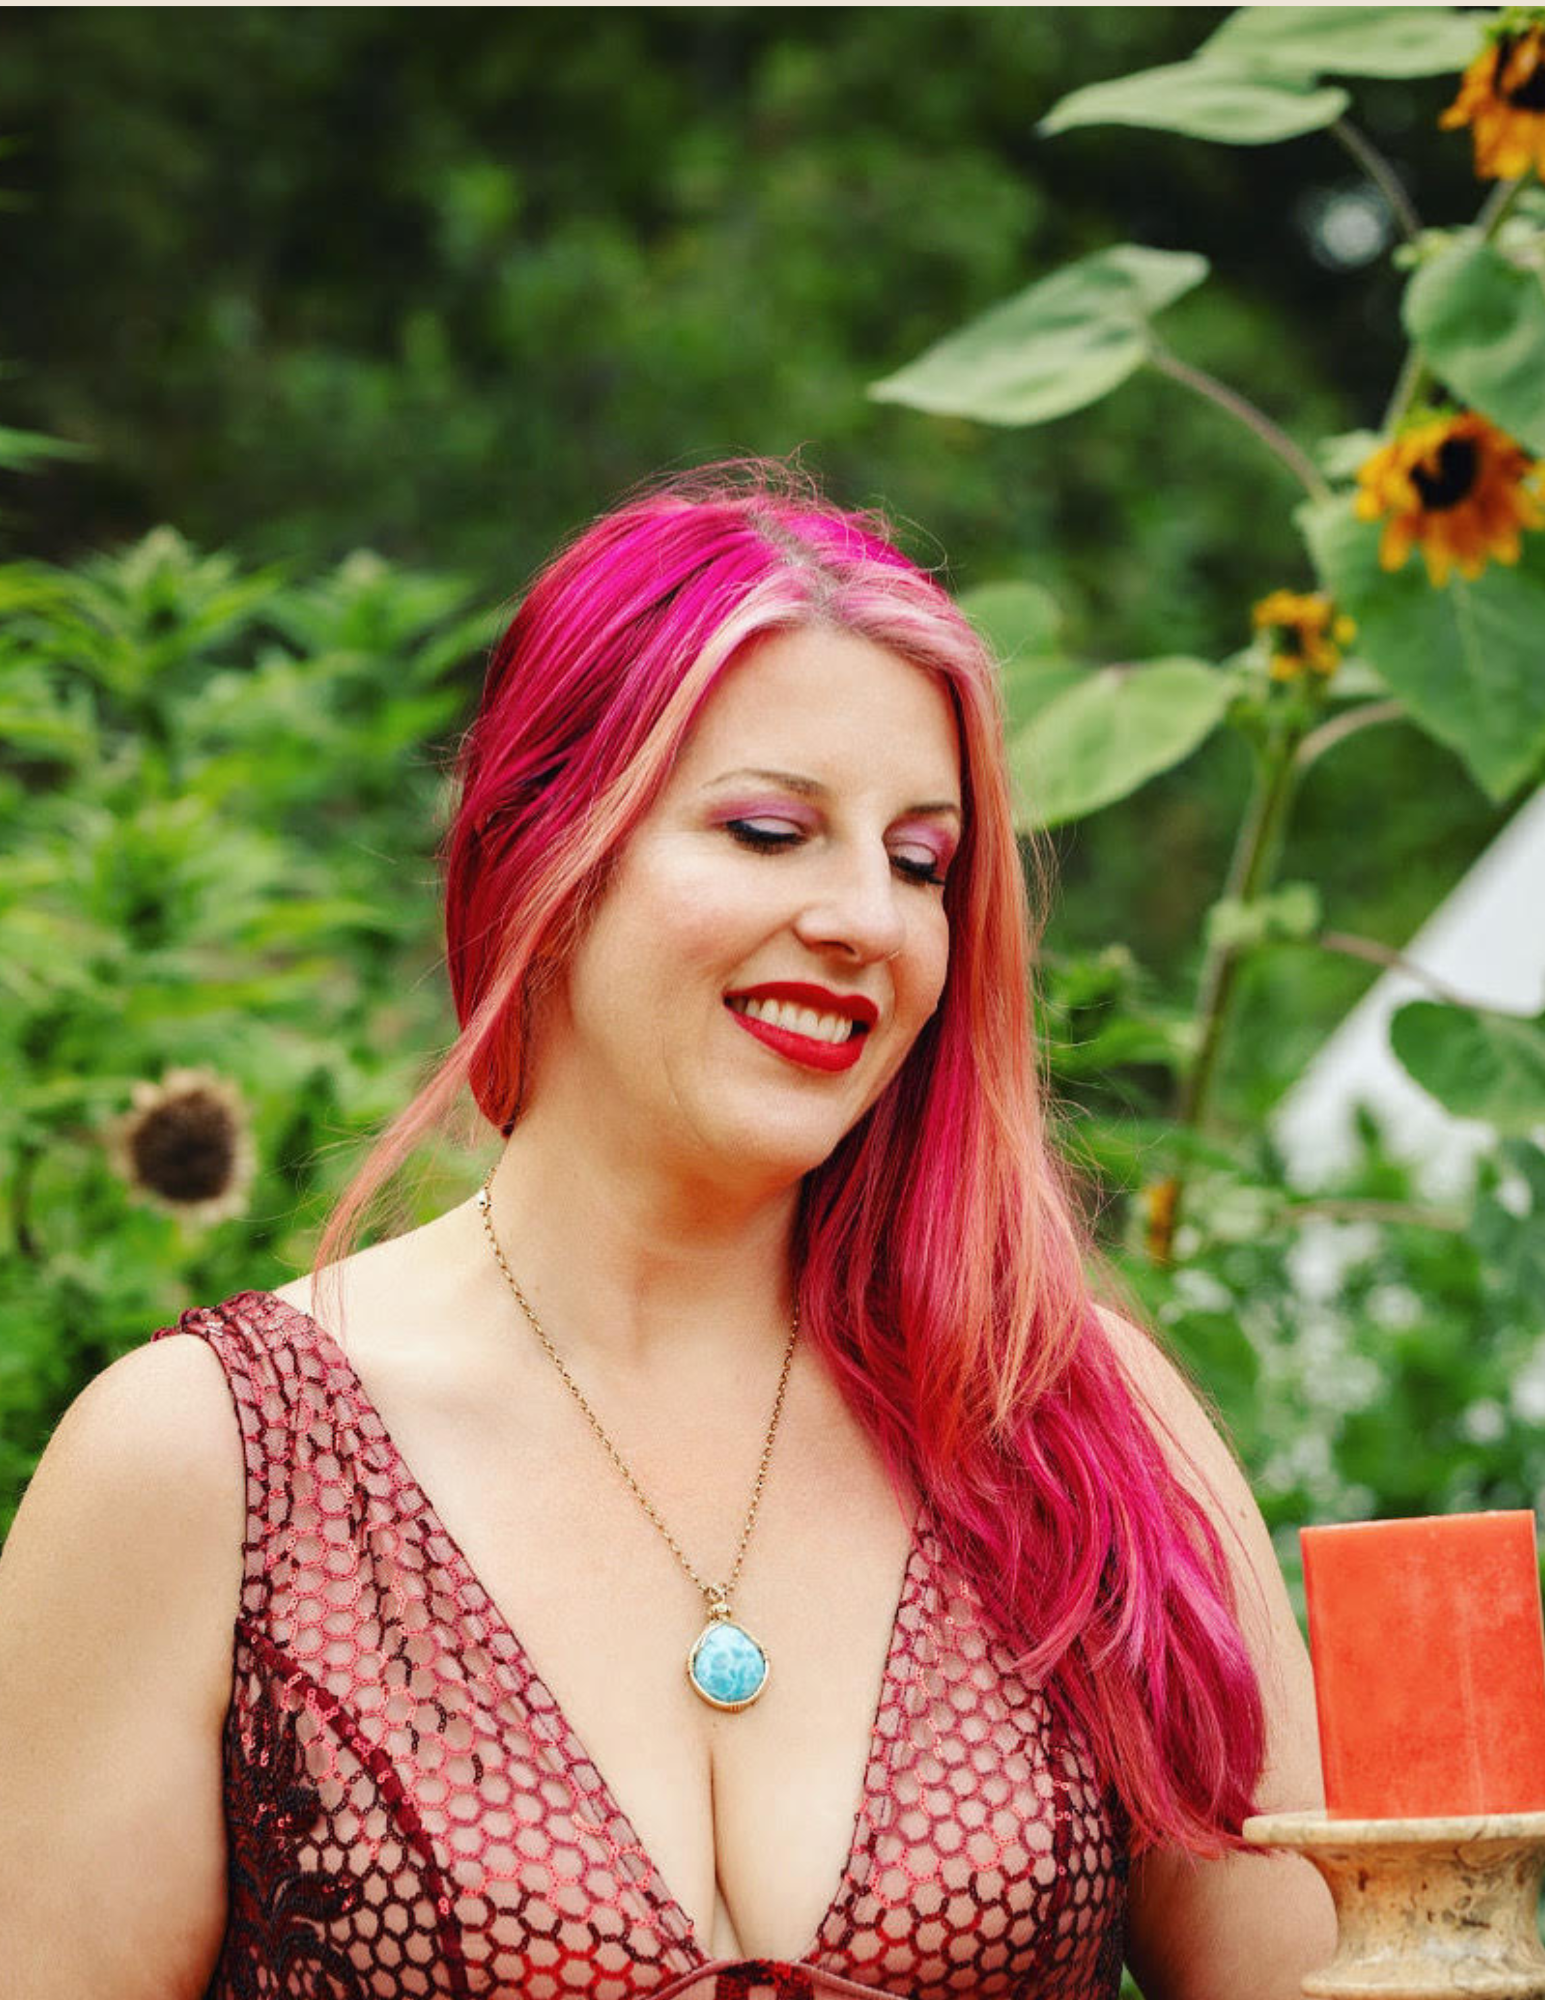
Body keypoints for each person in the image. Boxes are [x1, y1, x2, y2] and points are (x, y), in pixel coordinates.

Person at [0, 465, 1334, 1999]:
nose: (866, 919)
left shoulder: (1072, 1419)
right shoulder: (208, 1463)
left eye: (922, 862)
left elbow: (1336, 1980)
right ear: (543, 854)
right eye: (770, 831)